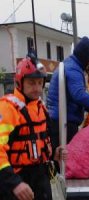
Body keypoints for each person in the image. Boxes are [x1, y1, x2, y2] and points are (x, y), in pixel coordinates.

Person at [0, 54, 67, 200]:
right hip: (15, 182)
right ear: (20, 82)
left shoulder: (41, 108)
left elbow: (39, 143)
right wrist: (15, 183)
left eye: (39, 82)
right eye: (31, 83)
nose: (37, 88)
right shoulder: (8, 108)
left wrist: (53, 154)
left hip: (40, 179)